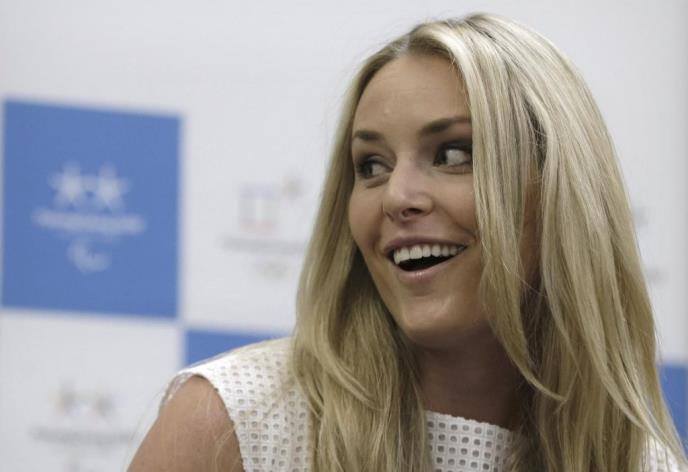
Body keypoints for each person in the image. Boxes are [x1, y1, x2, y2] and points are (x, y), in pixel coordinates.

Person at [129, 13, 688, 472]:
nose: (397, 197)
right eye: (371, 165)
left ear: (560, 189)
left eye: (453, 154)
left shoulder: (643, 463)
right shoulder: (239, 422)